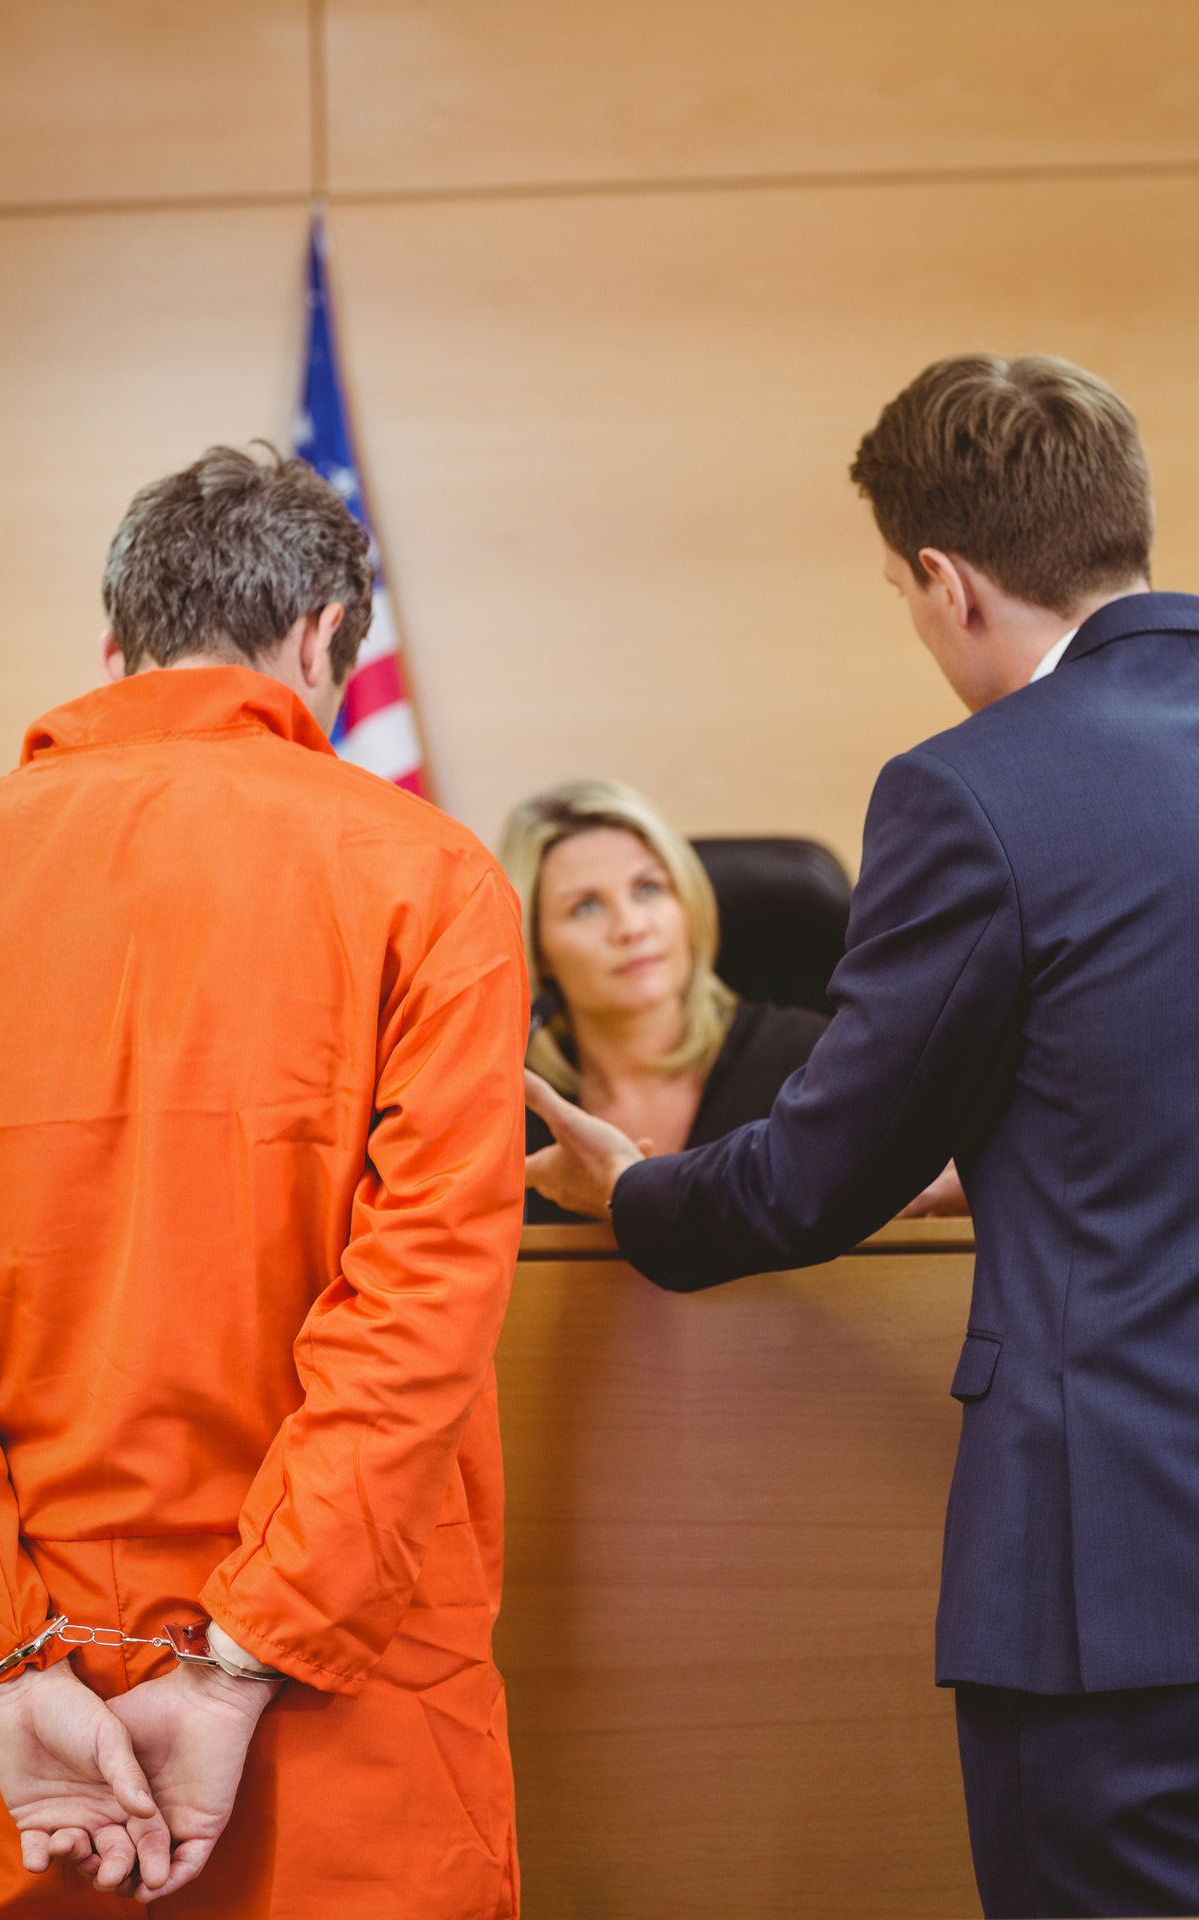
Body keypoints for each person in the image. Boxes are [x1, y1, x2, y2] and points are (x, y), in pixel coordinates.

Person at [524, 354, 1199, 1919]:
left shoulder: (977, 793)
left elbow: (825, 1170)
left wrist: (634, 1202)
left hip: (1123, 1587)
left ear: (950, 584)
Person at [0, 447, 528, 1917]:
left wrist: (5, 1656)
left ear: (115, 643)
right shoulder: (430, 880)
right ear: (326, 640)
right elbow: (417, 1320)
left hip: (8, 1747)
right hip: (341, 1714)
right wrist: (240, 1659)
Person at [497, 778, 828, 1224]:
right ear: (538, 950)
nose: (631, 927)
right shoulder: (509, 1107)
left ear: (687, 904)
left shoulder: (813, 1060)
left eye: (648, 889)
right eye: (586, 907)